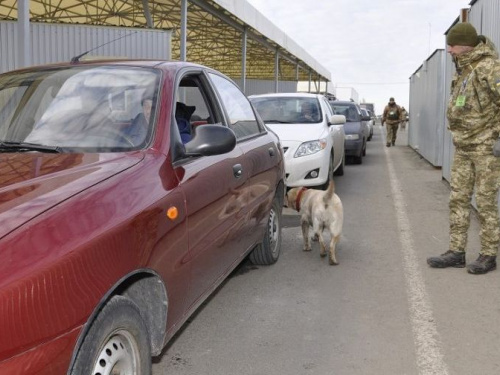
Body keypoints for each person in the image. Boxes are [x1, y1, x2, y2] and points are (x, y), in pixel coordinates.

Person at [427, 22, 500, 274]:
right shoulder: (464, 68)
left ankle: (488, 255)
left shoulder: (489, 66)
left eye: (451, 46)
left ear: (465, 45)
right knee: (457, 199)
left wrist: (497, 138)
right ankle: (456, 251)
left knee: (485, 202)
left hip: (485, 148)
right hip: (464, 146)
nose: (448, 50)